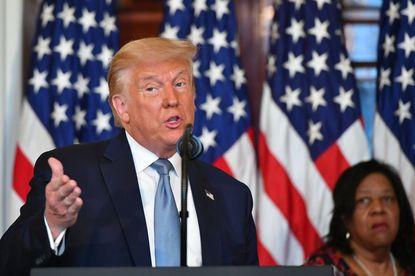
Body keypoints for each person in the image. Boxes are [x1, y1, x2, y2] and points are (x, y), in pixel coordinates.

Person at [0, 37, 258, 275]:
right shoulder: (73, 176)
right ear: (122, 107)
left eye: (180, 84)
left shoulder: (231, 197)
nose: (172, 99)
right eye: (152, 88)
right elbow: (9, 265)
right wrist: (52, 224)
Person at [305, 159, 415, 275]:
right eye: (364, 200)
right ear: (345, 218)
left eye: (387, 199)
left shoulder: (410, 263)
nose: (379, 209)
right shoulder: (320, 268)